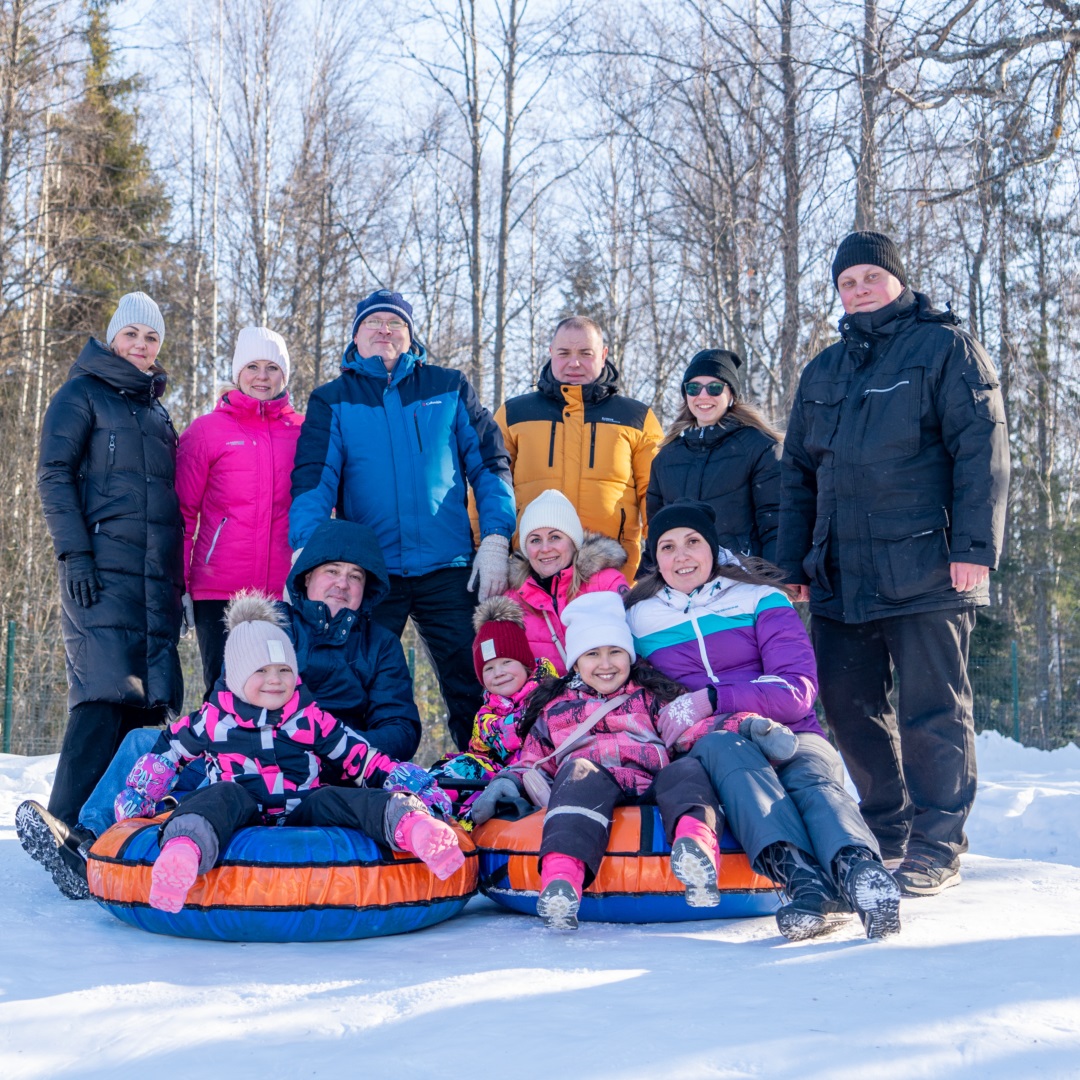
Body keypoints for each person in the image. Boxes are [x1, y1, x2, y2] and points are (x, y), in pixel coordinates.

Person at [776, 232, 1010, 897]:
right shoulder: (823, 370)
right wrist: (793, 561)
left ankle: (939, 842)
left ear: (898, 280)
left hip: (927, 567)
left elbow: (981, 451)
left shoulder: (944, 349)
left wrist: (973, 549)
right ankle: (888, 828)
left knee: (933, 711)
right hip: (839, 575)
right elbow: (797, 474)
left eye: (870, 277)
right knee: (849, 710)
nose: (858, 291)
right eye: (847, 282)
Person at [626, 500, 902, 940]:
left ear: (713, 548)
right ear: (654, 558)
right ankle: (802, 883)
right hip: (715, 741)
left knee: (811, 774)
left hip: (791, 730)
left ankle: (861, 872)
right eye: (667, 547)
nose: (681, 556)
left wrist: (715, 696)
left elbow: (797, 689)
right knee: (726, 753)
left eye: (693, 543)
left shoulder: (759, 598)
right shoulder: (638, 618)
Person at [113, 592, 463, 913]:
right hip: (240, 808)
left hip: (301, 805)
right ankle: (182, 855)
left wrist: (405, 782)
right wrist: (141, 795)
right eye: (261, 671)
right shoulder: (211, 721)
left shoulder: (308, 717)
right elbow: (167, 755)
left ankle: (414, 828)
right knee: (217, 796)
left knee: (342, 797)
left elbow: (360, 756)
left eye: (284, 670)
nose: (275, 679)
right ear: (236, 676)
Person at [290, 289, 516, 750]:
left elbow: (490, 466)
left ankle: (487, 775)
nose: (384, 330)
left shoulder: (448, 386)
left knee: (472, 682)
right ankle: (355, 779)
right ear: (356, 336)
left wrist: (495, 538)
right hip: (372, 576)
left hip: (449, 567)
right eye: (373, 323)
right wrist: (308, 552)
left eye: (395, 323)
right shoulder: (332, 399)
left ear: (411, 337)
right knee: (354, 681)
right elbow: (315, 480)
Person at [17, 292, 184, 900]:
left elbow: (172, 512)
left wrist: (179, 589)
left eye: (152, 339)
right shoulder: (79, 394)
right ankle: (60, 826)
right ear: (113, 337)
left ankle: (107, 839)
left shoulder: (159, 415)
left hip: (156, 583)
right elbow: (53, 475)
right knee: (103, 693)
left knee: (148, 705)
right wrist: (75, 553)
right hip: (101, 573)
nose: (142, 346)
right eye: (132, 334)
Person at [470, 592, 725, 932]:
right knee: (575, 772)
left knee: (687, 769)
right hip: (593, 786)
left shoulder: (652, 695)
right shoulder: (555, 707)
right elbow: (531, 760)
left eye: (615, 652)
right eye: (593, 654)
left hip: (652, 785)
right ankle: (562, 879)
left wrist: (750, 725)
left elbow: (694, 730)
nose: (605, 664)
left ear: (629, 656)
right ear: (576, 662)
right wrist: (504, 783)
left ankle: (695, 849)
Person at [176, 326, 303, 697]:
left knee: (282, 693)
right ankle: (219, 757)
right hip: (219, 590)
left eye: (272, 367)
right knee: (224, 691)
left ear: (284, 374)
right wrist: (180, 585)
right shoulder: (207, 432)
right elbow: (182, 515)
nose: (262, 377)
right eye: (252, 366)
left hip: (284, 591)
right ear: (237, 372)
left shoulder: (303, 432)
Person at [492, 316, 662, 580]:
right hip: (532, 570)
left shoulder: (636, 417)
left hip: (613, 572)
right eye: (564, 353)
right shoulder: (514, 414)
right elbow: (492, 487)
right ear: (551, 353)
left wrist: (662, 555)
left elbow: (656, 494)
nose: (574, 362)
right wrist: (486, 549)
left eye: (585, 353)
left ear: (603, 354)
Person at [283, 518, 423, 763]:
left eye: (355, 576)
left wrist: (337, 748)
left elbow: (400, 729)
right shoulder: (273, 627)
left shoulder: (381, 644)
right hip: (272, 765)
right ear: (307, 577)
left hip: (349, 770)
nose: (342, 583)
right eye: (332, 570)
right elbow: (234, 706)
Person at [643, 348, 782, 572]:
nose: (703, 395)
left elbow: (775, 520)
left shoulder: (759, 447)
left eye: (715, 388)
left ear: (732, 395)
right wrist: (649, 577)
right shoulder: (666, 457)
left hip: (740, 577)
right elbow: (658, 529)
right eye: (694, 388)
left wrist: (776, 578)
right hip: (683, 578)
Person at [427, 596, 557, 825]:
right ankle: (433, 812)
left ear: (525, 664)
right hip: (492, 779)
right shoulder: (486, 714)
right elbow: (479, 754)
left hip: (535, 777)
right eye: (489, 668)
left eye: (507, 662)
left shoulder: (549, 697)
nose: (499, 672)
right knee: (455, 774)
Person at [504, 489, 629, 673]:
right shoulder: (512, 602)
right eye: (535, 540)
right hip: (542, 699)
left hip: (606, 693)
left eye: (555, 537)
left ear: (573, 541)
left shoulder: (606, 583)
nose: (545, 548)